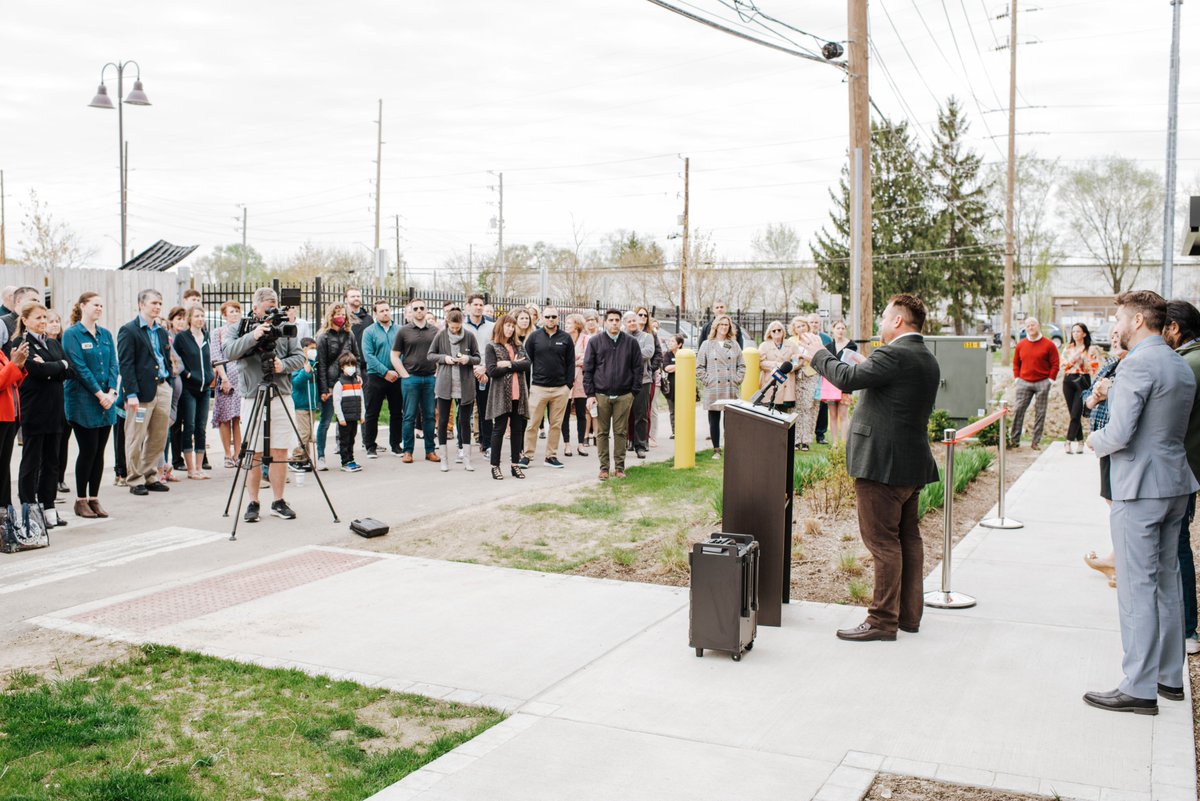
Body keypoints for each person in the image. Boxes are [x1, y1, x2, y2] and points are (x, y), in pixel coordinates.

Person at [797, 294, 941, 642]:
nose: (880, 322)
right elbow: (893, 395)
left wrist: (818, 353)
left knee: (882, 543)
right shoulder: (925, 357)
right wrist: (868, 366)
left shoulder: (893, 354)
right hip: (910, 463)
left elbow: (845, 379)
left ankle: (881, 620)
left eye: (885, 316)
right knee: (908, 539)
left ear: (898, 321)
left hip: (881, 466)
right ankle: (908, 615)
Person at [1084, 290, 1198, 714]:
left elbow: (1119, 433)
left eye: (1119, 319)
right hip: (1175, 482)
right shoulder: (1178, 362)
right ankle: (1169, 677)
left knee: (1136, 586)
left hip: (1140, 486)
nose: (1115, 326)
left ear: (1136, 321)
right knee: (1167, 582)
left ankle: (1138, 687)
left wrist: (1093, 440)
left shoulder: (1136, 364)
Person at [224, 287, 306, 522]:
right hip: (253, 394)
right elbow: (229, 352)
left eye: (274, 307)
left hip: (280, 392)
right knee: (254, 451)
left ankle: (279, 501)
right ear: (255, 308)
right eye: (267, 308)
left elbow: (299, 357)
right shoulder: (239, 327)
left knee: (280, 449)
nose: (272, 312)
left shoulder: (285, 327)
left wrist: (283, 365)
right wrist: (254, 335)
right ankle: (253, 502)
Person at [1161, 300, 1200, 657]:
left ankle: (1188, 628)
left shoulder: (1187, 364)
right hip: (1188, 466)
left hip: (1183, 467)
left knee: (1178, 546)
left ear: (1174, 328)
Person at [13, 302, 72, 527]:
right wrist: (57, 366)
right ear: (25, 320)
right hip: (34, 410)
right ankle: (29, 506)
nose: (43, 322)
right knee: (32, 461)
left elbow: (70, 371)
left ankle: (48, 506)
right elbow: (34, 371)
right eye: (38, 318)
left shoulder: (53, 343)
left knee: (51, 462)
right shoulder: (21, 344)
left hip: (55, 410)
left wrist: (51, 366)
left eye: (45, 317)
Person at [63, 292, 117, 519]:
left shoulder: (105, 334)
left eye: (101, 305)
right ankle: (80, 499)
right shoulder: (72, 334)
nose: (99, 308)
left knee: (100, 452)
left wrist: (112, 392)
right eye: (95, 304)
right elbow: (79, 367)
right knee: (88, 450)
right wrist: (99, 393)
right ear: (83, 306)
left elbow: (113, 364)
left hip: (106, 401)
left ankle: (94, 498)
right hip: (83, 400)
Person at [117, 289, 174, 496]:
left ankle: (150, 476)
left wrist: (169, 380)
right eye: (153, 303)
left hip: (162, 387)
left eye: (160, 303)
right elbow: (126, 364)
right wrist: (130, 393)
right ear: (141, 305)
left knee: (159, 435)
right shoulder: (129, 330)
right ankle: (134, 478)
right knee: (136, 435)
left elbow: (165, 357)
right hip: (141, 392)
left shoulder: (161, 331)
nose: (157, 307)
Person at [1081, 340, 1127, 588]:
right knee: (1111, 500)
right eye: (1113, 335)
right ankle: (1116, 559)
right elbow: (1086, 398)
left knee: (1120, 504)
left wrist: (1111, 392)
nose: (1116, 339)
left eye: (1119, 333)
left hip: (1118, 441)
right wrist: (1094, 398)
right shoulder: (1110, 365)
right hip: (1104, 442)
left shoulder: (1135, 366)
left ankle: (1119, 562)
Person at [583, 309, 644, 480]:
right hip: (601, 394)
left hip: (624, 395)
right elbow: (588, 369)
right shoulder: (595, 342)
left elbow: (638, 368)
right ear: (605, 322)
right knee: (602, 432)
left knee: (620, 432)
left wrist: (633, 392)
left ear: (621, 322)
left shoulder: (631, 342)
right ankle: (604, 468)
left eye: (617, 320)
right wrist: (590, 394)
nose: (614, 323)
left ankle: (619, 468)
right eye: (611, 320)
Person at [521, 306, 573, 469]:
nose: (551, 319)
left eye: (554, 317)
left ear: (558, 318)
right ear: (542, 318)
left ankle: (551, 456)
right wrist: (528, 386)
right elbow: (526, 361)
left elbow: (571, 363)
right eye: (548, 316)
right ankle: (527, 456)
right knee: (532, 424)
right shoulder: (534, 337)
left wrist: (568, 386)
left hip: (560, 389)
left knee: (556, 425)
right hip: (538, 388)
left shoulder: (566, 338)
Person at [429, 309, 480, 472]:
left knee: (464, 421)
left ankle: (466, 459)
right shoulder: (441, 335)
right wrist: (444, 358)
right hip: (445, 384)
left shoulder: (469, 336)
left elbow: (478, 358)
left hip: (465, 385)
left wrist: (467, 359)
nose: (455, 330)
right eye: (452, 327)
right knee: (443, 420)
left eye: (457, 327)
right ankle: (444, 460)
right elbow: (430, 355)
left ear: (461, 324)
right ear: (447, 323)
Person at [390, 298, 440, 463]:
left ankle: (430, 451)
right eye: (415, 308)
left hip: (430, 379)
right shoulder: (404, 331)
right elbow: (394, 355)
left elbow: (441, 354)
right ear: (411, 311)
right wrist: (404, 374)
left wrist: (437, 373)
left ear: (426, 310)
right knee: (409, 416)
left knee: (430, 416)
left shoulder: (435, 331)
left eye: (422, 308)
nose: (419, 311)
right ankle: (408, 451)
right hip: (411, 379)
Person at [484, 314, 531, 480]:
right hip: (501, 395)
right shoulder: (492, 346)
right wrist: (516, 364)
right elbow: (492, 371)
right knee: (499, 429)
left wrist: (508, 363)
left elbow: (527, 364)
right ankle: (495, 466)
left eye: (512, 326)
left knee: (517, 430)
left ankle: (515, 465)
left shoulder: (518, 345)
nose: (510, 329)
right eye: (508, 326)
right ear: (500, 326)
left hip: (518, 394)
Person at [315, 303, 361, 471]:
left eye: (343, 314)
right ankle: (320, 456)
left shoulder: (350, 335)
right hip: (330, 384)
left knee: (348, 421)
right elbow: (321, 365)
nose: (341, 317)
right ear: (331, 316)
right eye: (337, 314)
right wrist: (324, 389)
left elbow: (356, 357)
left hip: (347, 382)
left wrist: (358, 374)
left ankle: (347, 457)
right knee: (326, 421)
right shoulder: (323, 337)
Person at [696, 314, 745, 460]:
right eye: (721, 324)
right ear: (716, 326)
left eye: (726, 325)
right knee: (714, 419)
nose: (724, 327)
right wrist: (708, 380)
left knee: (729, 420)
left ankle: (729, 448)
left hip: (730, 387)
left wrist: (737, 379)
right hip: (714, 387)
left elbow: (742, 365)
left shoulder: (734, 344)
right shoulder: (707, 344)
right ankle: (716, 449)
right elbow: (699, 367)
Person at [173, 305, 213, 480]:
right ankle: (190, 469)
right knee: (188, 426)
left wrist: (211, 375)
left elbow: (210, 358)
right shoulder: (182, 337)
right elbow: (175, 360)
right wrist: (188, 374)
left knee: (201, 428)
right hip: (189, 388)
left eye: (202, 315)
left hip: (205, 388)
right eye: (196, 316)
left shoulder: (207, 336)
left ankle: (199, 467)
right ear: (189, 318)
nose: (200, 319)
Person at [1009, 317, 1059, 450]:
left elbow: (1055, 364)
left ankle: (1035, 442)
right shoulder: (1020, 345)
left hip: (1042, 382)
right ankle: (1014, 440)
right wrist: (1017, 378)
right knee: (1019, 410)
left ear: (1038, 326)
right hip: (1024, 382)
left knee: (1040, 412)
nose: (1030, 328)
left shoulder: (1049, 345)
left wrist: (1050, 380)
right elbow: (1016, 363)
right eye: (1028, 326)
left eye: (1033, 325)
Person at [361, 299, 402, 458]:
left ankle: (396, 445)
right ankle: (370, 446)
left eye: (387, 310)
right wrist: (385, 372)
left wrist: (397, 371)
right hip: (376, 376)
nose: (385, 313)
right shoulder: (369, 332)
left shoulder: (399, 330)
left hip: (396, 376)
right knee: (372, 412)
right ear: (375, 314)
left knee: (396, 412)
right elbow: (368, 356)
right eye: (382, 311)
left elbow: (404, 351)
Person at [211, 301, 244, 468]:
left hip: (242, 379)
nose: (235, 314)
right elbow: (216, 357)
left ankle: (238, 454)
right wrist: (224, 378)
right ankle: (227, 454)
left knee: (238, 417)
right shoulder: (218, 332)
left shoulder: (243, 332)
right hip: (226, 378)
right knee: (225, 418)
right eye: (232, 311)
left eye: (237, 311)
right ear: (224, 315)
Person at [1061, 323, 1102, 454]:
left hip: (1083, 380)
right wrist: (1073, 360)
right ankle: (1080, 441)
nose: (1075, 334)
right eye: (1073, 331)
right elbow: (1063, 365)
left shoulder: (1090, 349)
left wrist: (1084, 362)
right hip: (1068, 380)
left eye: (1078, 331)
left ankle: (1068, 441)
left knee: (1076, 413)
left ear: (1084, 333)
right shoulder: (1068, 348)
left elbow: (1094, 368)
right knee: (1073, 413)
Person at [621, 311, 657, 459]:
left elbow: (648, 353)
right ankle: (624, 443)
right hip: (624, 381)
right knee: (623, 414)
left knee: (641, 415)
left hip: (643, 380)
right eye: (629, 321)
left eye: (634, 320)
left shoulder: (647, 337)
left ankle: (640, 445)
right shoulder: (621, 337)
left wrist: (628, 355)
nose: (632, 323)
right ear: (625, 324)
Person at [465, 294, 495, 458]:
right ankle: (463, 446)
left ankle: (487, 444)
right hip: (467, 372)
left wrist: (484, 368)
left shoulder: (492, 326)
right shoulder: (463, 326)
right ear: (469, 306)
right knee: (464, 411)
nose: (478, 307)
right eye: (475, 304)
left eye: (480, 305)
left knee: (485, 410)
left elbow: (495, 349)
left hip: (485, 372)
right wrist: (472, 367)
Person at [161, 306, 188, 482]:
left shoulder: (170, 344)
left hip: (175, 397)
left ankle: (165, 467)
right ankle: (161, 468)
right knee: (162, 434)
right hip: (164, 394)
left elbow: (180, 364)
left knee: (167, 431)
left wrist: (176, 369)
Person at [0, 334, 27, 510]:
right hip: (2, 416)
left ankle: (4, 510)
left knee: (4, 468)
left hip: (9, 416)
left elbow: (12, 381)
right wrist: (13, 365)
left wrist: (19, 365)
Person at [45, 310, 71, 494]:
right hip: (48, 400)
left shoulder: (64, 344)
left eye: (57, 321)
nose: (55, 324)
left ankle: (60, 478)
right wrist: (60, 367)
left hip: (65, 397)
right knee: (49, 444)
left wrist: (58, 369)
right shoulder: (42, 345)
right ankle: (49, 480)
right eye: (51, 321)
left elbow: (70, 370)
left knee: (63, 441)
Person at [823, 319, 858, 442]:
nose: (841, 330)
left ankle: (843, 443)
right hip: (831, 384)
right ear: (833, 330)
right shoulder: (828, 347)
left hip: (845, 383)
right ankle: (834, 444)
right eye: (838, 328)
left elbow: (851, 363)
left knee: (843, 415)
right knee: (832, 415)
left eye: (843, 328)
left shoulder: (851, 345)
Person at [331, 352, 365, 472]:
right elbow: (336, 402)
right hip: (344, 419)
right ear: (342, 367)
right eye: (348, 365)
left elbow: (361, 400)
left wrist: (362, 415)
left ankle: (351, 459)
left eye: (353, 365)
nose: (351, 367)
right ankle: (345, 461)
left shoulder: (357, 383)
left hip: (354, 417)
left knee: (352, 439)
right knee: (344, 441)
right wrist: (340, 418)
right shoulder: (339, 384)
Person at [289, 337, 319, 471]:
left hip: (311, 403)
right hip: (301, 403)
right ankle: (295, 457)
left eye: (315, 348)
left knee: (309, 433)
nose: (314, 351)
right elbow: (296, 383)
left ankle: (304, 458)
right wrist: (305, 372)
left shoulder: (314, 363)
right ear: (304, 350)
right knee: (304, 433)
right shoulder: (298, 363)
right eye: (311, 348)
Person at [758, 320, 800, 414]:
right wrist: (778, 365)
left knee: (783, 413)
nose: (777, 332)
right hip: (770, 381)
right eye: (774, 331)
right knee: (768, 411)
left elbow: (798, 360)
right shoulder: (764, 345)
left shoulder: (791, 345)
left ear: (783, 331)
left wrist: (791, 367)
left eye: (779, 330)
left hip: (786, 382)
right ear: (770, 333)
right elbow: (761, 363)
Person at [562, 313, 589, 457]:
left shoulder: (586, 339)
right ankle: (567, 444)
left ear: (577, 325)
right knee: (564, 414)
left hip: (581, 381)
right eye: (566, 323)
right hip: (566, 380)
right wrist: (576, 361)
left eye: (569, 323)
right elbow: (561, 360)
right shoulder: (563, 339)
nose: (566, 325)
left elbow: (588, 359)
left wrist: (573, 362)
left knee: (581, 413)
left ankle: (581, 444)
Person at [808, 313, 834, 444]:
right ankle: (806, 434)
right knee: (808, 405)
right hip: (807, 374)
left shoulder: (827, 339)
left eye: (816, 322)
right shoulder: (804, 337)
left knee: (822, 405)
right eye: (811, 322)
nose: (814, 324)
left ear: (820, 324)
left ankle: (820, 434)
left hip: (822, 374)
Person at [662, 333, 683, 437]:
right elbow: (666, 368)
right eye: (669, 341)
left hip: (683, 387)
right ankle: (675, 431)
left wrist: (673, 367)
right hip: (671, 387)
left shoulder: (685, 354)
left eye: (672, 341)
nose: (670, 343)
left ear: (679, 344)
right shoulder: (667, 355)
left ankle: (683, 430)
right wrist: (681, 365)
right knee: (672, 410)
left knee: (682, 410)